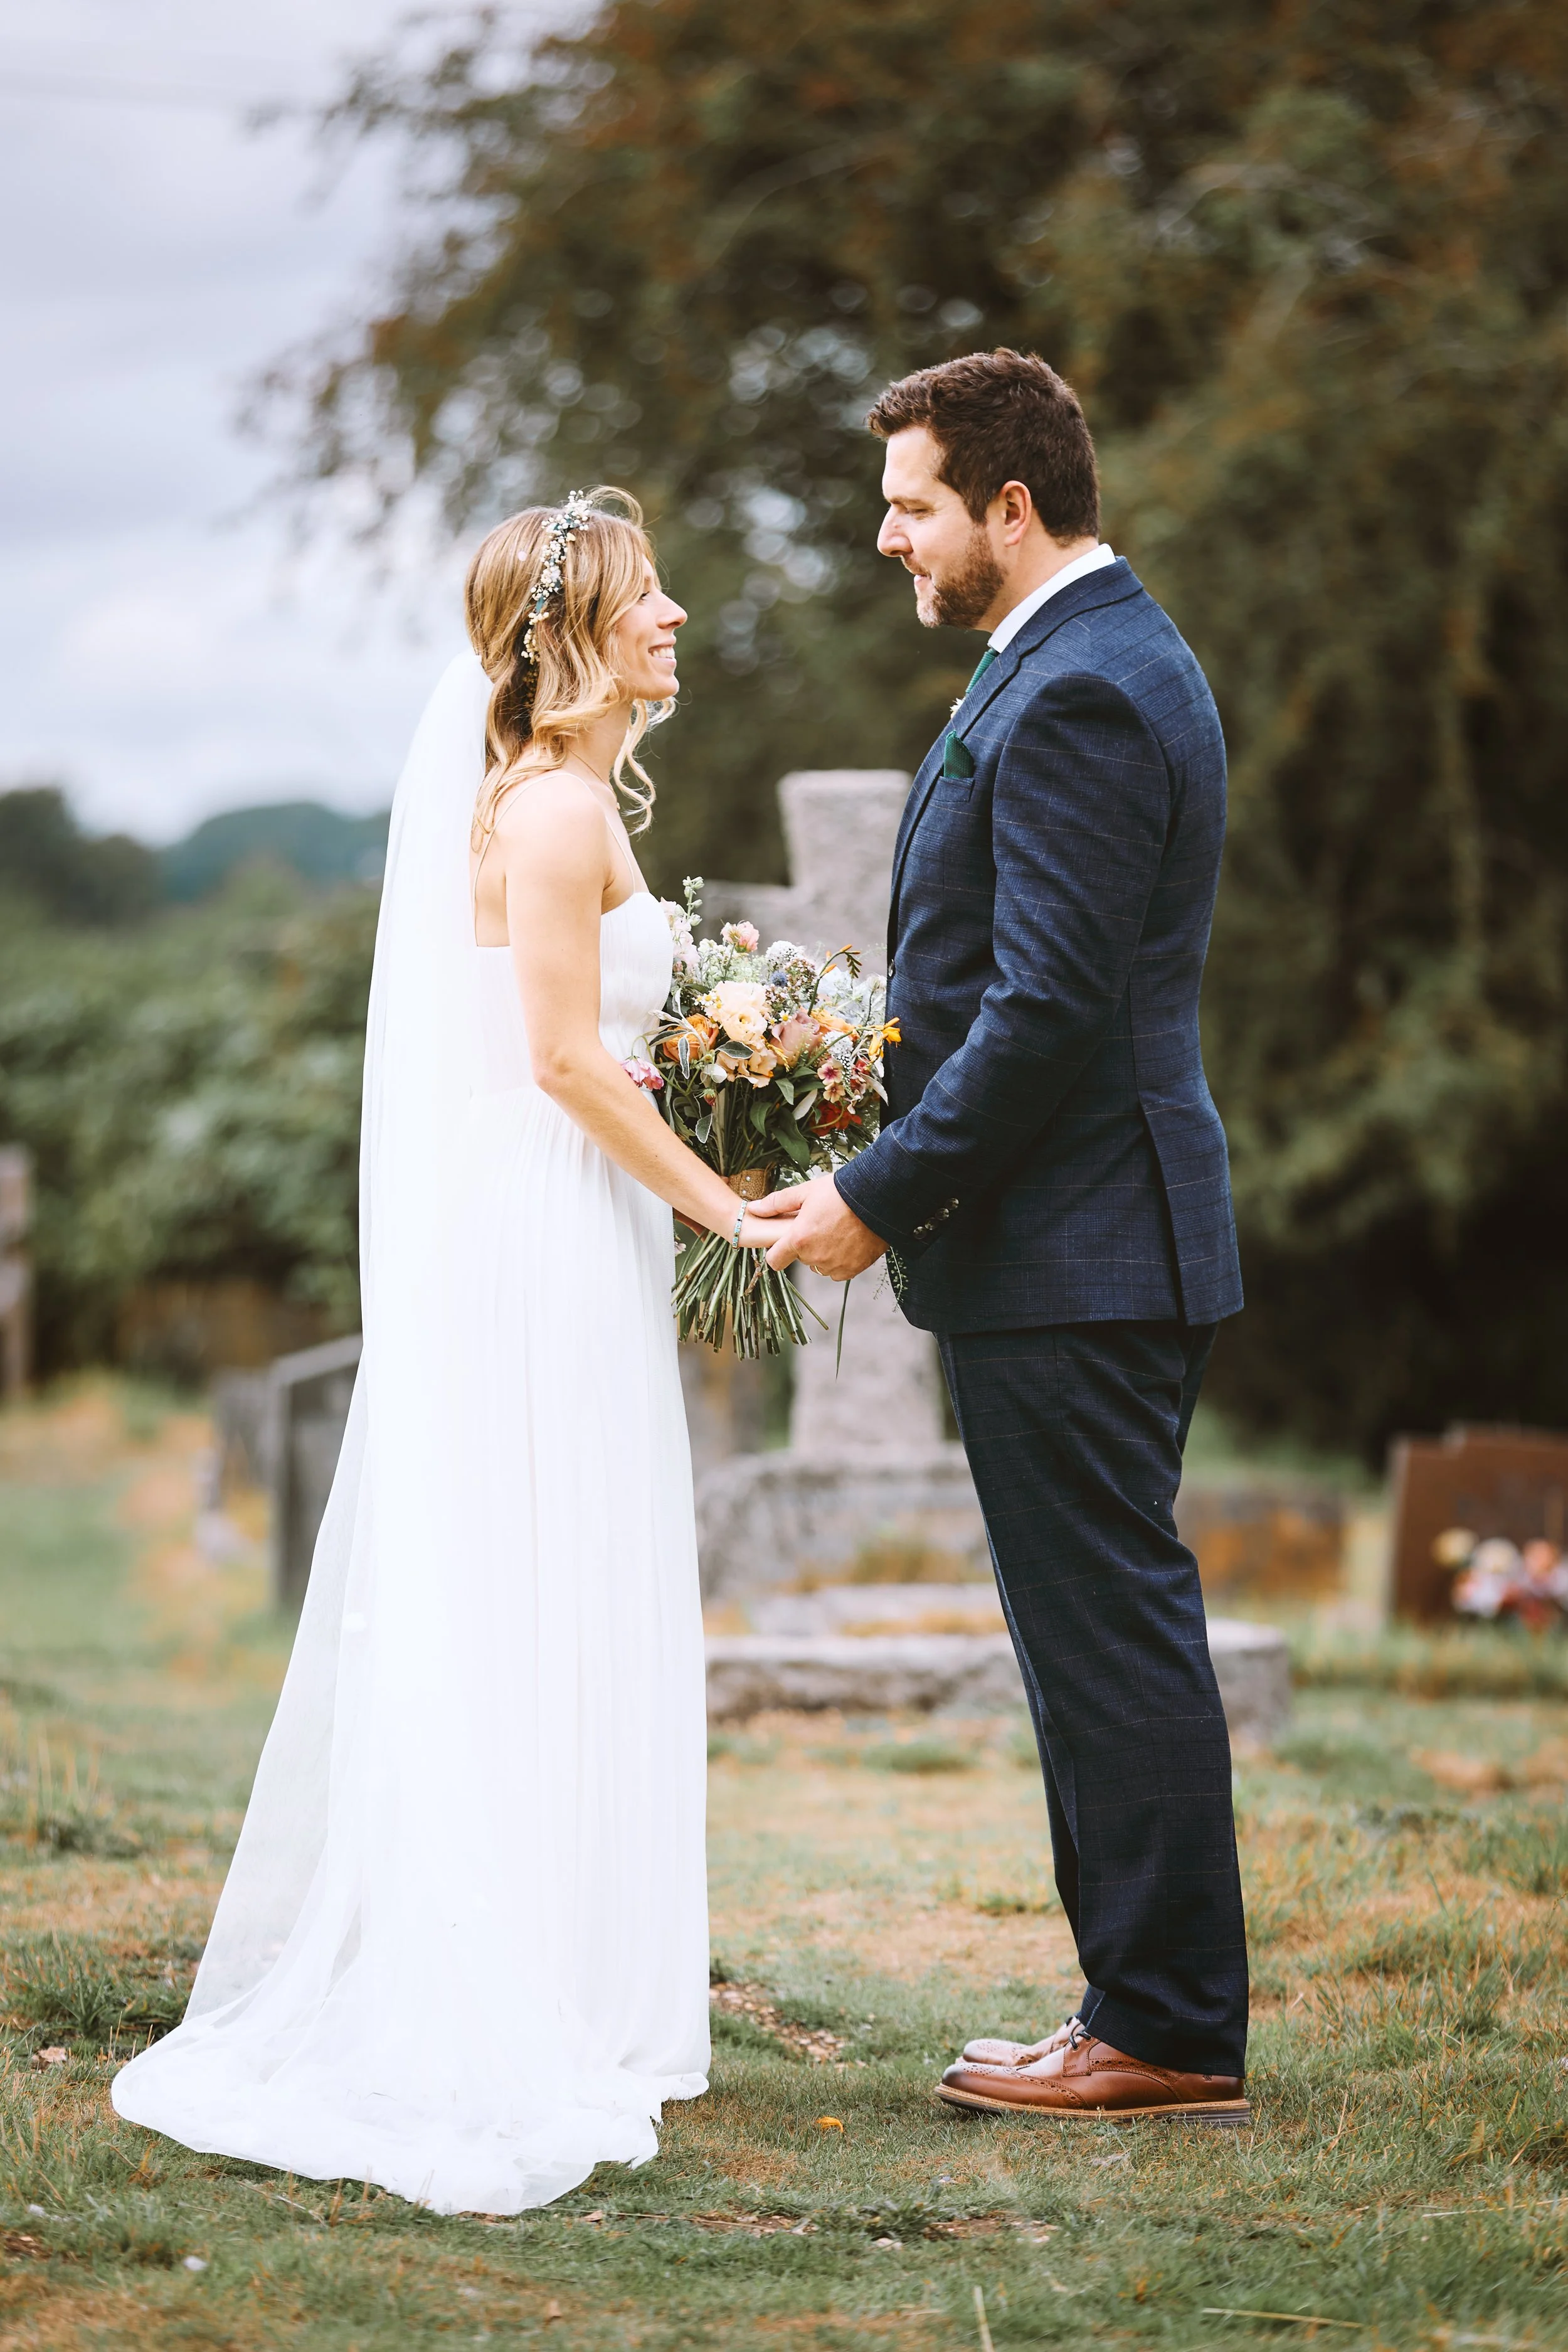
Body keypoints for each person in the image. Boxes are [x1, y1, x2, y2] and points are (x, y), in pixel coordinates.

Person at [112, 488, 776, 2213]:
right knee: (541, 1571)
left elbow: (624, 1044)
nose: (678, 617)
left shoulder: (568, 801)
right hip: (547, 1222)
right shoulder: (550, 810)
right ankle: (517, 1983)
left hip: (574, 1212)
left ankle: (571, 1969)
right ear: (570, 631)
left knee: (572, 1569)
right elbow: (563, 1061)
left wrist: (749, 1075)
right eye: (649, 596)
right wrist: (722, 1202)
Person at [755, 352, 1251, 2124]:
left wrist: (875, 1197)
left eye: (911, 504)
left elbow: (1045, 1015)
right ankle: (1140, 2002)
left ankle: (1166, 2025)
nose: (887, 535)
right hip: (1070, 1245)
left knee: (1106, 1633)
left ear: (1009, 506)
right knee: (1091, 1628)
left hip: (1082, 1247)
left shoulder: (1088, 691)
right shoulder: (1065, 663)